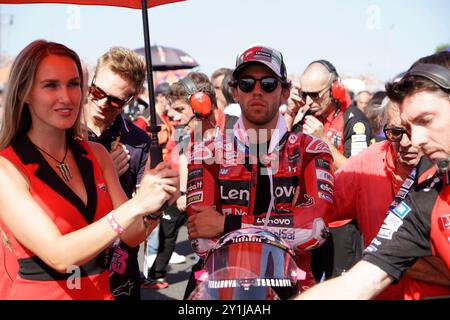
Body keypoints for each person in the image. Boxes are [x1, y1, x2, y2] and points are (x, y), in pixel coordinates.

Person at [0, 40, 178, 300]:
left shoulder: (97, 155)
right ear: (24, 92)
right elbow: (58, 254)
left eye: (73, 84)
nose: (66, 97)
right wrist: (137, 205)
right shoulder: (7, 167)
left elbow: (131, 235)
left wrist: (158, 202)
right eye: (50, 85)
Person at [184, 45, 335, 299]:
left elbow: (315, 230)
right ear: (235, 91)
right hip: (219, 283)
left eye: (267, 84)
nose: (256, 91)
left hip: (293, 283)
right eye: (246, 84)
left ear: (285, 92)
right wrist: (284, 226)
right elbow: (201, 238)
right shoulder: (206, 153)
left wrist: (229, 224)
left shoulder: (312, 151)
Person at [297, 51, 450, 300]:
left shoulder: (353, 120)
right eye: (399, 132)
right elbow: (361, 281)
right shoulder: (424, 192)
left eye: (427, 121)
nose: (415, 141)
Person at [331, 96, 450, 299]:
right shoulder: (368, 162)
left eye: (412, 132)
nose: (405, 143)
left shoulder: (441, 173)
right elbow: (321, 207)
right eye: (396, 132)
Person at [286, 60, 371, 281]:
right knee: (304, 284)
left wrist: (324, 142)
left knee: (339, 287)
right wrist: (289, 115)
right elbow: (278, 155)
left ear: (336, 88)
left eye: (315, 95)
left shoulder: (355, 120)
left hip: (341, 223)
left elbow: (359, 172)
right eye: (305, 94)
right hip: (309, 219)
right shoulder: (305, 116)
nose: (309, 101)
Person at [83, 46, 153, 300]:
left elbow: (143, 221)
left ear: (130, 100)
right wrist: (102, 171)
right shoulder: (63, 130)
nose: (102, 103)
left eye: (114, 100)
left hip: (120, 269)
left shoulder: (139, 141)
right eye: (97, 92)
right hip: (73, 265)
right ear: (91, 80)